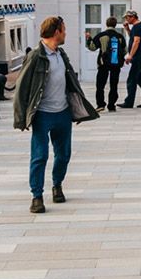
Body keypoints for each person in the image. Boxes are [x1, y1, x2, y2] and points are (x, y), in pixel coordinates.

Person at [14, 15, 97, 214]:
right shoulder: (36, 56)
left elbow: (71, 83)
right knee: (40, 155)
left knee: (64, 155)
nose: (66, 33)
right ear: (56, 32)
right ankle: (36, 196)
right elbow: (21, 87)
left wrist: (77, 109)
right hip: (42, 114)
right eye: (64, 29)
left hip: (63, 113)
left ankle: (57, 184)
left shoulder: (61, 54)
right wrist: (21, 118)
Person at [89, 16, 126, 112]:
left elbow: (92, 47)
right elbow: (124, 51)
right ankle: (111, 105)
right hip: (116, 64)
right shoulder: (120, 36)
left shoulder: (101, 35)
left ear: (106, 24)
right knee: (114, 85)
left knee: (100, 85)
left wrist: (89, 39)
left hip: (103, 64)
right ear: (115, 24)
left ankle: (101, 104)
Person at [120, 11, 141, 109]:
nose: (126, 20)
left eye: (127, 18)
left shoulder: (137, 27)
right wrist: (127, 29)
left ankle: (129, 102)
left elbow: (136, 41)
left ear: (133, 17)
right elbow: (133, 38)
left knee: (132, 80)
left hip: (138, 57)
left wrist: (130, 55)